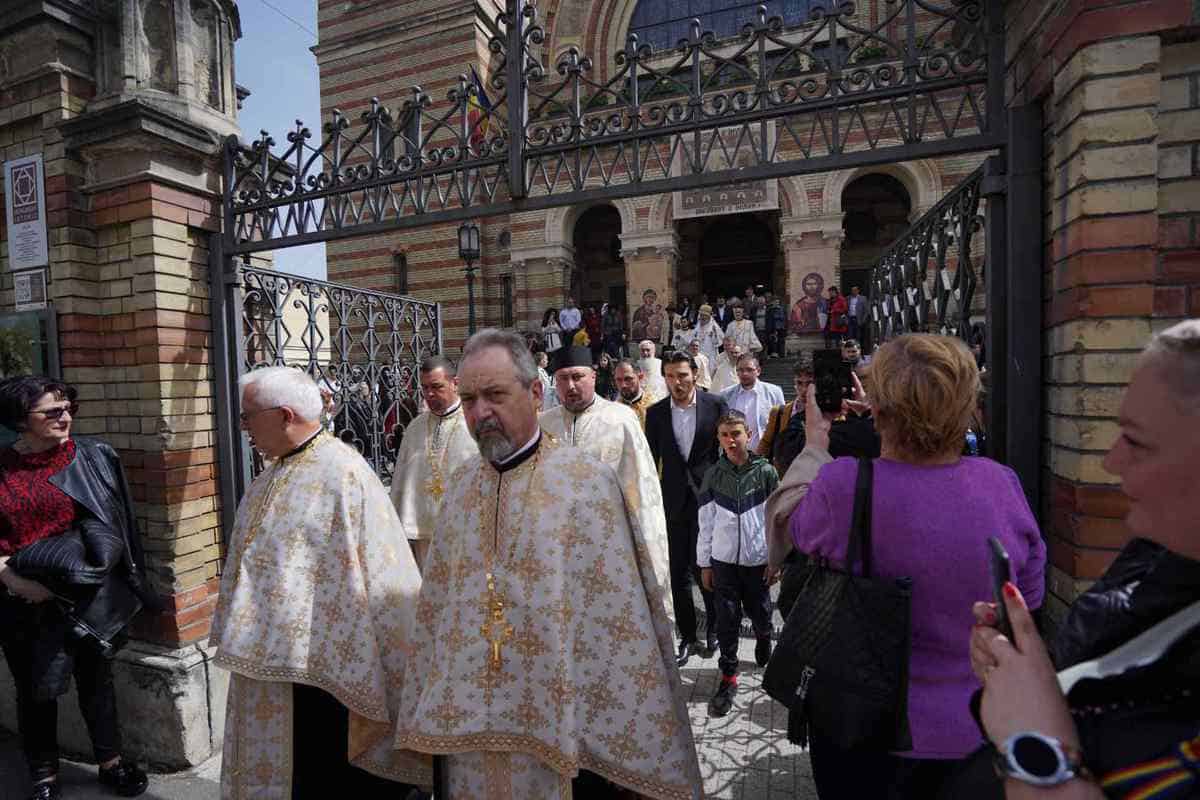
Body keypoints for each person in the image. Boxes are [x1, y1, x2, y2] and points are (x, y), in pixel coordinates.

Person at [393, 329, 702, 799]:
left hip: (561, 717)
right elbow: (439, 606)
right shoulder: (460, 488)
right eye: (471, 398)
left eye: (495, 395)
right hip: (471, 724)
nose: (480, 413)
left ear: (535, 393)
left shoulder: (587, 484)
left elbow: (617, 621)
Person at [786, 333, 1046, 798]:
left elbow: (796, 529)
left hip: (863, 730)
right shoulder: (1000, 483)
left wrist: (816, 443)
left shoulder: (843, 483)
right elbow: (1030, 595)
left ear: (879, 408)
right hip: (978, 729)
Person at [966, 318, 1200, 800]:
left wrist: (1035, 745)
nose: (1112, 461)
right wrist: (1027, 674)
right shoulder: (1162, 561)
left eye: (1136, 441)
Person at [212, 367, 428, 796]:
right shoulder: (270, 475)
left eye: (247, 417)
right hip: (273, 665)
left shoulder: (343, 474)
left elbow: (380, 572)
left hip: (328, 670)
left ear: (284, 415)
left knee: (324, 771)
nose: (244, 428)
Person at [0, 377, 151, 800]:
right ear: (19, 420)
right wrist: (13, 580)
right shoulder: (2, 468)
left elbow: (118, 524)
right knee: (35, 690)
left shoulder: (92, 458)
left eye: (68, 408)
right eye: (51, 411)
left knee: (96, 679)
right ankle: (44, 775)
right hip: (18, 598)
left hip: (84, 594)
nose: (65, 417)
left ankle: (111, 763)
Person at [645, 351, 728, 666]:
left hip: (709, 500)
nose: (676, 382)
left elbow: (729, 446)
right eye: (670, 376)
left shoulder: (715, 405)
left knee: (706, 566)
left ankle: (715, 630)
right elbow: (650, 462)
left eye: (682, 375)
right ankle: (688, 637)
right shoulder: (655, 414)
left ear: (694, 374)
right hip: (673, 502)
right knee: (678, 572)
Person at [697, 410, 779, 718]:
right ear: (718, 439)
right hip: (723, 562)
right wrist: (705, 563)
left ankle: (763, 636)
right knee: (727, 619)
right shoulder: (713, 475)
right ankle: (728, 676)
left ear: (749, 435)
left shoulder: (766, 472)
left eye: (736, 434)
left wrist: (775, 558)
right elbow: (705, 523)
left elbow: (776, 520)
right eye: (725, 435)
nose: (731, 441)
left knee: (761, 611)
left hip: (757, 561)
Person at [389, 356, 477, 570]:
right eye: (425, 388)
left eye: (436, 387)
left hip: (466, 530)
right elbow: (402, 478)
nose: (429, 394)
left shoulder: (475, 422)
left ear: (455, 383)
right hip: (422, 531)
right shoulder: (415, 428)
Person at [757, 360, 814, 475]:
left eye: (809, 384)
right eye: (799, 383)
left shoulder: (830, 415)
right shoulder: (778, 413)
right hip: (786, 478)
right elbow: (765, 445)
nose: (804, 389)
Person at [718, 354, 785, 450]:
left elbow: (781, 423)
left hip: (763, 454)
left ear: (758, 371)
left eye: (749, 370)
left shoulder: (774, 392)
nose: (744, 373)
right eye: (740, 370)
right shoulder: (725, 395)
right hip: (733, 453)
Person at [614, 357, 656, 429]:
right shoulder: (613, 410)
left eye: (628, 379)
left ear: (640, 377)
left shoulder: (654, 406)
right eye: (619, 380)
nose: (623, 385)